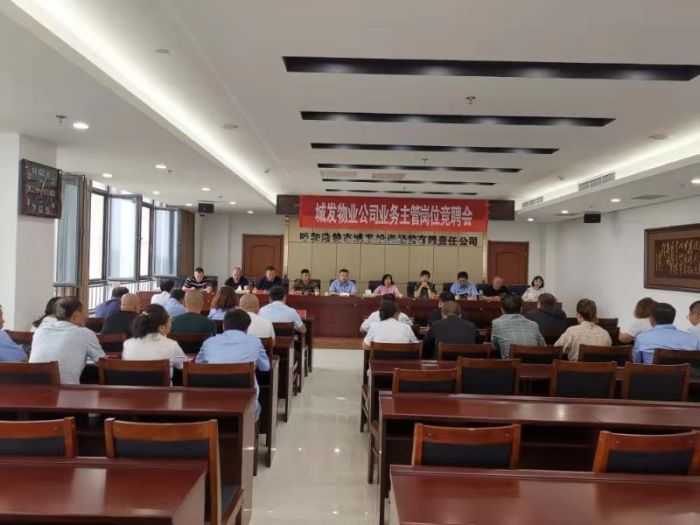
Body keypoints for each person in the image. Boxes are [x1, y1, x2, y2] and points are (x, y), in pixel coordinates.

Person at [196, 309, 270, 420]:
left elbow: (198, 365)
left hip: (211, 401)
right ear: (247, 328)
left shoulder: (209, 342)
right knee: (257, 406)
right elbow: (265, 367)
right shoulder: (255, 342)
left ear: (224, 326)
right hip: (245, 403)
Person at [30, 296, 105, 384]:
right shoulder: (85, 333)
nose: (85, 317)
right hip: (64, 390)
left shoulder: (40, 331)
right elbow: (103, 363)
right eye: (84, 313)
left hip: (33, 387)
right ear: (76, 315)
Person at [122, 304, 187, 376]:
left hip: (132, 383)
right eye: (170, 320)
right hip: (162, 384)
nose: (171, 323)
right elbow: (185, 365)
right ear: (161, 327)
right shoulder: (171, 345)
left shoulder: (127, 344)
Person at [633, 303, 700, 364]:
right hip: (683, 373)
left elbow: (637, 362)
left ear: (653, 319)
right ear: (673, 318)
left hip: (649, 373)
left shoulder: (641, 338)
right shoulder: (693, 340)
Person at [491, 294, 545, 359]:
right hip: (533, 363)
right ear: (521, 309)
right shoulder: (534, 324)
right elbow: (543, 347)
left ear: (502, 310)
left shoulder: (496, 323)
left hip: (510, 363)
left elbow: (494, 346)